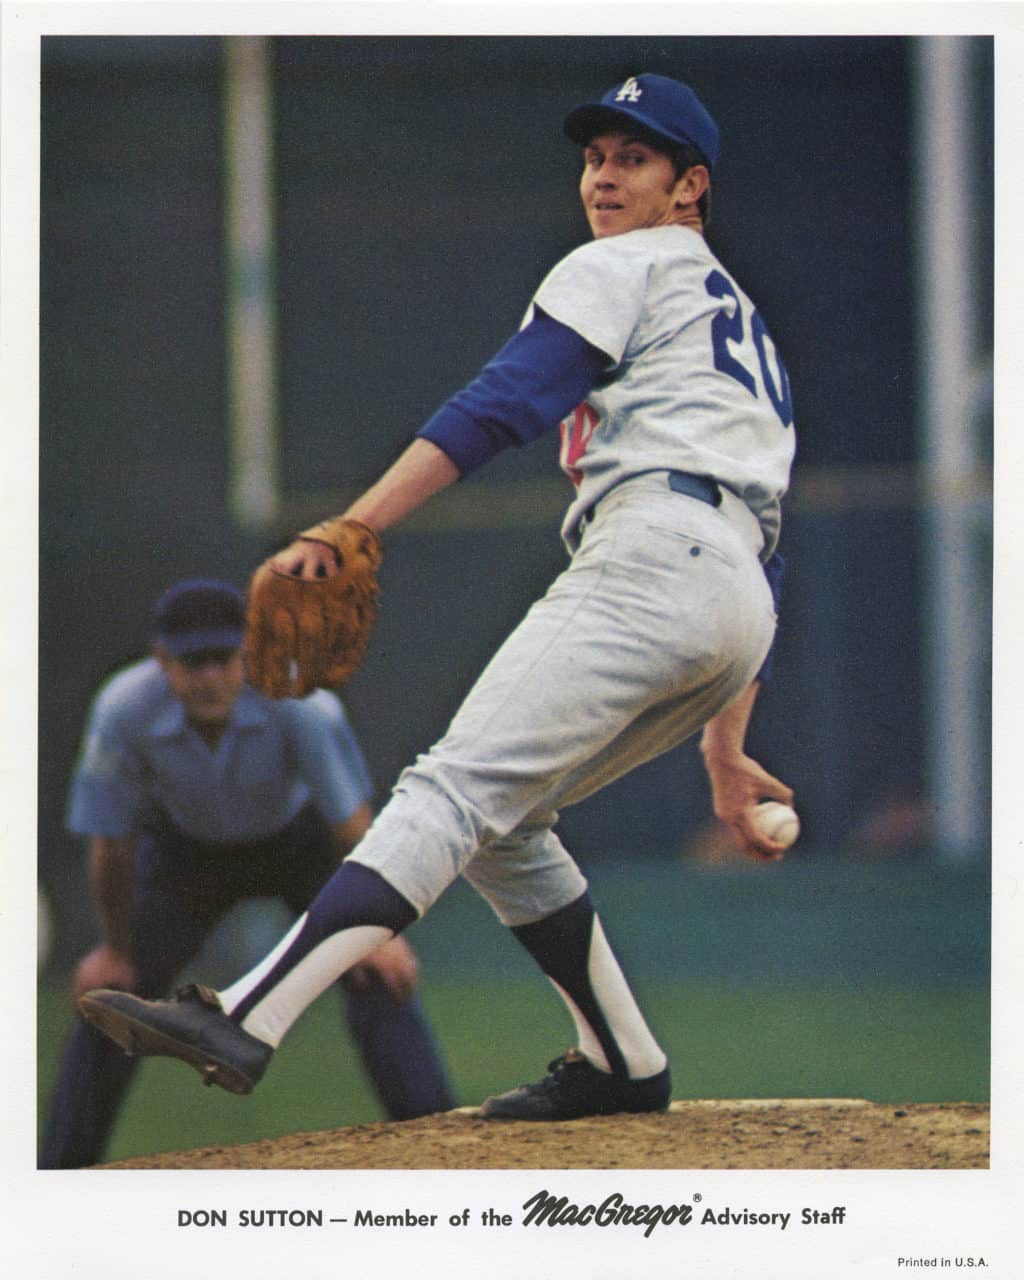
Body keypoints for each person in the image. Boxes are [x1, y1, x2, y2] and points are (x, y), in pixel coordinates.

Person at [80, 72, 797, 1122]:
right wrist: (726, 750)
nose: (602, 176)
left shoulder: (621, 265)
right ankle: (621, 1062)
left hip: (650, 555)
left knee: (448, 790)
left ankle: (246, 1012)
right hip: (730, 595)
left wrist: (357, 522)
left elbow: (506, 398)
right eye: (595, 156)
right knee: (504, 824)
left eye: (632, 159)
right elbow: (761, 552)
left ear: (689, 187)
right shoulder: (741, 329)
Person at [41, 579, 454, 1167]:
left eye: (222, 658)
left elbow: (353, 828)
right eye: (192, 661)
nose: (209, 676)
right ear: (162, 662)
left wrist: (382, 937)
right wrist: (113, 948)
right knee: (113, 998)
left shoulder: (297, 698)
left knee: (373, 973)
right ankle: (58, 1177)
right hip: (187, 856)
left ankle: (438, 1145)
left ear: (247, 654)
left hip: (299, 847)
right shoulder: (122, 710)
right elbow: (111, 841)